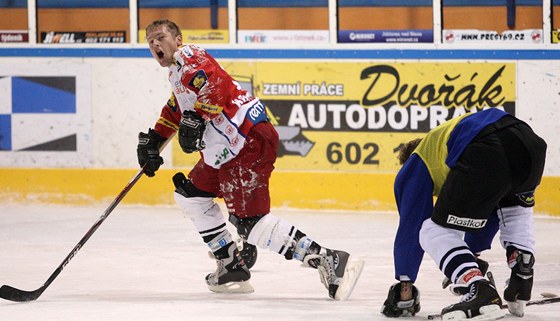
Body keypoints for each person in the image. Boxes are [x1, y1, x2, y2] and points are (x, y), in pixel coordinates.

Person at [136, 19, 364, 299]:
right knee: (190, 195)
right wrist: (155, 140)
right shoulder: (176, 72)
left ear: (179, 39)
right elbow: (175, 109)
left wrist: (197, 117)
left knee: (250, 223)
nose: (155, 44)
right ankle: (231, 264)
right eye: (150, 41)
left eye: (161, 37)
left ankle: (329, 258)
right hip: (224, 150)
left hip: (246, 140)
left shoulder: (190, 55)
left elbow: (216, 82)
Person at [381, 108, 547, 320]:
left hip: (487, 148)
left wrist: (405, 284)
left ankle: (478, 288)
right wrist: (472, 256)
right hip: (530, 145)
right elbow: (485, 213)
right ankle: (520, 278)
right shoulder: (447, 141)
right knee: (514, 212)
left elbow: (412, 223)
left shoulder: (417, 160)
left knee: (431, 231)